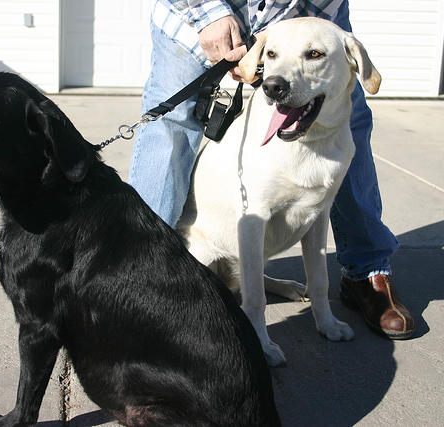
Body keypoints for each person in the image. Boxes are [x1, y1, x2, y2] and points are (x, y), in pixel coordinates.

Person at [128, 0, 415, 339]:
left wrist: (274, 44)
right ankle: (135, 282)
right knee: (169, 128)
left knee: (351, 119)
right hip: (192, 18)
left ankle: (367, 270)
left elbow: (313, 37)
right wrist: (213, 16)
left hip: (297, 19)